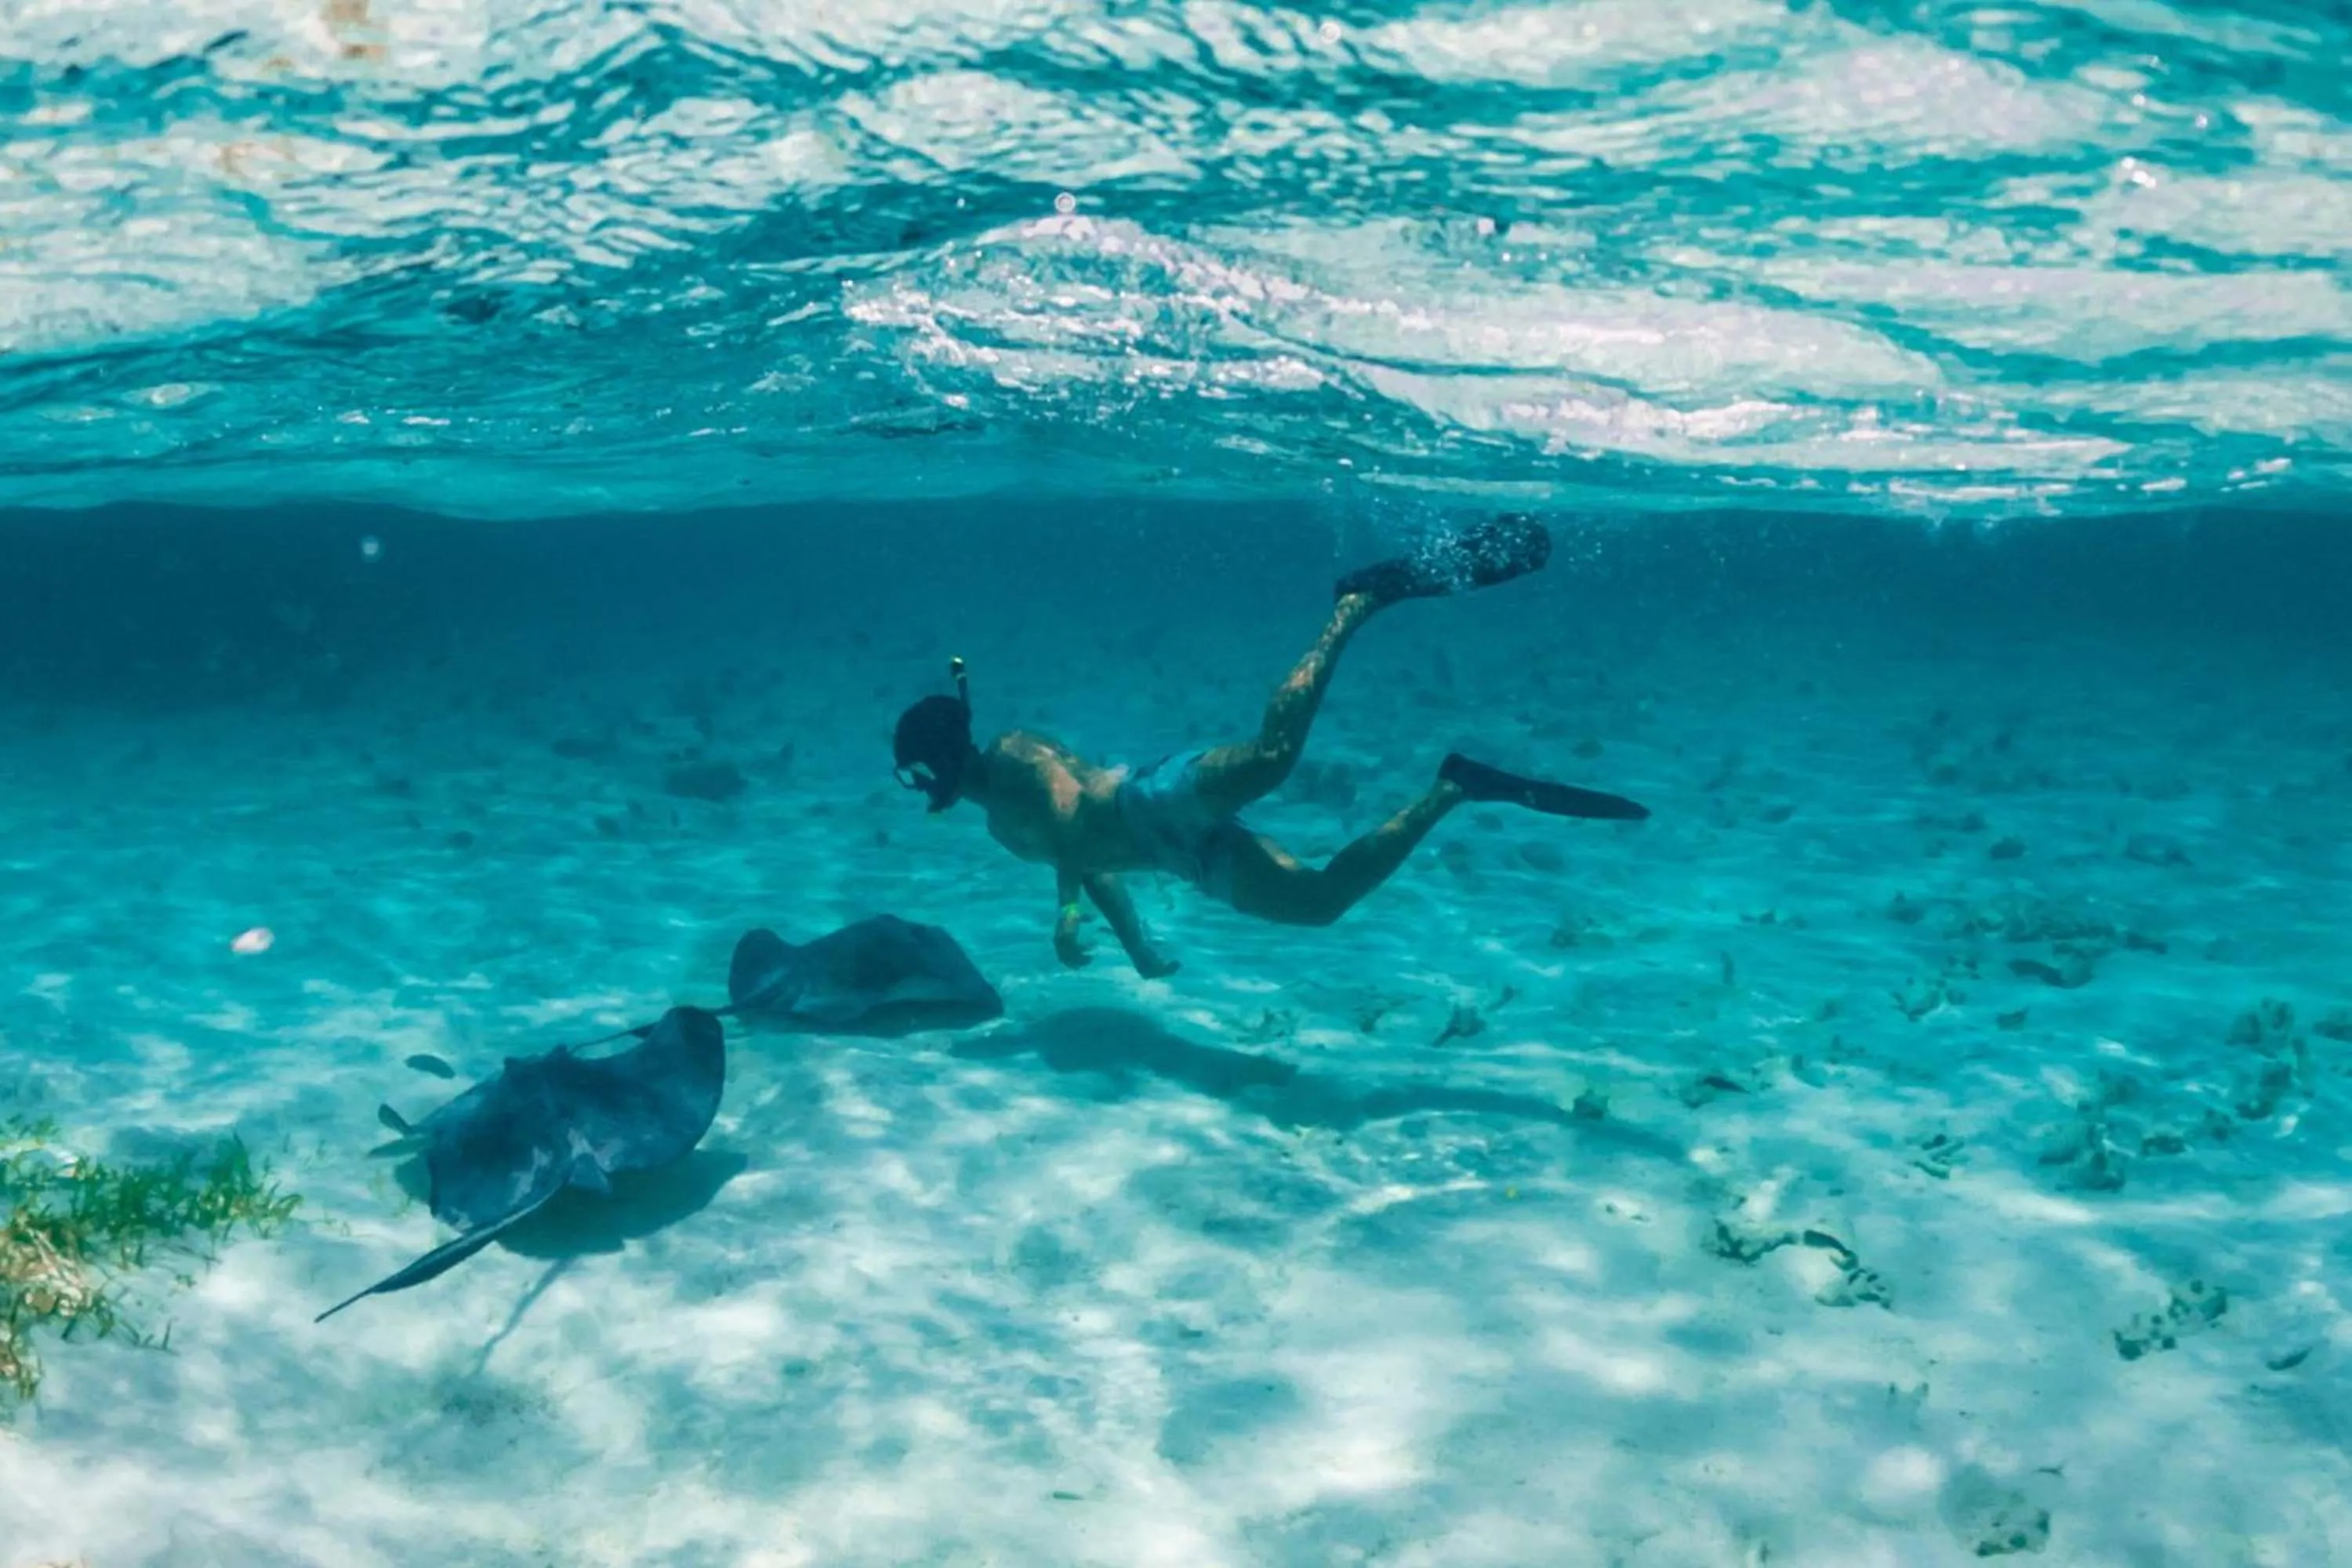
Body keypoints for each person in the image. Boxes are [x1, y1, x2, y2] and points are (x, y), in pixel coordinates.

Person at [890, 515, 1647, 977]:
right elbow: (1082, 861)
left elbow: (1070, 824)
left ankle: (1357, 603)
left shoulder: (1017, 753)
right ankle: (1456, 787)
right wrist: (1127, 944)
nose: (928, 790)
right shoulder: (998, 824)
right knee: (1319, 905)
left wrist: (1070, 893)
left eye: (926, 775)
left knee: (1272, 757)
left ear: (941, 764)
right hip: (1178, 855)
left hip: (1152, 797)